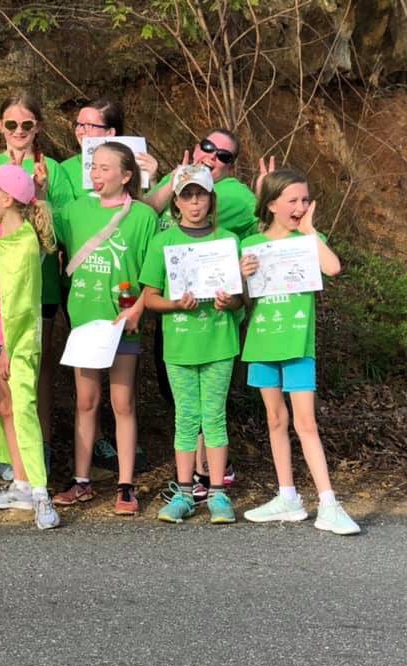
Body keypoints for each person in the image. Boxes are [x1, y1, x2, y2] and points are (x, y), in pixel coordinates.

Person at [240, 169, 360, 535]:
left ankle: (328, 503)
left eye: (305, 199)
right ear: (271, 204)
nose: (300, 206)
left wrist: (309, 230)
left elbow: (333, 267)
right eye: (292, 200)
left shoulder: (310, 238)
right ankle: (288, 497)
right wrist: (242, 275)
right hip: (261, 342)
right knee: (275, 420)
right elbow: (243, 300)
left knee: (305, 423)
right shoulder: (250, 242)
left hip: (297, 343)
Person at [0, 93, 74, 479]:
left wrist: (40, 192)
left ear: (38, 128)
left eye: (26, 125)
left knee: (36, 368)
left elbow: (55, 229)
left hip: (38, 282)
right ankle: (7, 454)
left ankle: (39, 448)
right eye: (11, 124)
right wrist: (11, 179)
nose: (18, 131)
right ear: (0, 126)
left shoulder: (55, 170)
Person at [145, 128, 255, 485]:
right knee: (184, 408)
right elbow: (144, 214)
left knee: (212, 411)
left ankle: (211, 475)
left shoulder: (232, 215)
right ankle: (189, 481)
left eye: (224, 155)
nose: (213, 155)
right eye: (208, 147)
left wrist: (233, 297)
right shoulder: (165, 231)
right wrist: (163, 177)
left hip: (217, 331)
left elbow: (261, 230)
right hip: (178, 328)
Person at [53, 142, 158, 514]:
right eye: (93, 168)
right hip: (83, 321)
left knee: (122, 402)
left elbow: (151, 276)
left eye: (106, 169)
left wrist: (137, 312)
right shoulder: (75, 211)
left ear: (127, 175)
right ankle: (81, 480)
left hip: (122, 323)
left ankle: (126, 484)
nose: (97, 175)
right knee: (85, 401)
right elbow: (48, 235)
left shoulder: (143, 217)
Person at [139, 165, 242, 524]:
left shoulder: (228, 240)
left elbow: (240, 299)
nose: (194, 202)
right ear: (176, 202)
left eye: (200, 194)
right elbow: (149, 297)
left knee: (214, 417)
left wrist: (229, 302)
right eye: (186, 195)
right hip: (179, 344)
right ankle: (183, 493)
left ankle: (217, 494)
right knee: (186, 418)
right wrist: (174, 303)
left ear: (212, 200)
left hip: (219, 342)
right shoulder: (163, 242)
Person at [0, 164, 60, 530]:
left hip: (15, 344)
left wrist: (7, 348)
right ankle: (20, 483)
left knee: (23, 409)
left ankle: (40, 493)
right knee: (5, 406)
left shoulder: (24, 245)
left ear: (7, 199)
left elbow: (23, 307)